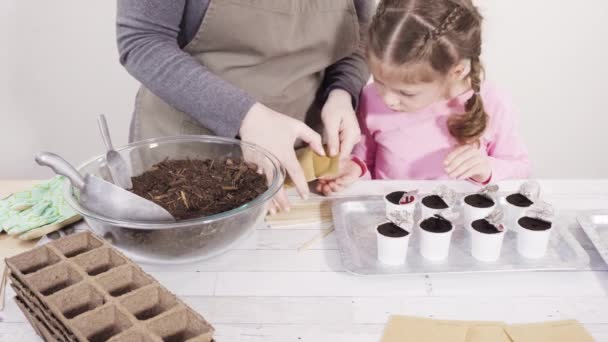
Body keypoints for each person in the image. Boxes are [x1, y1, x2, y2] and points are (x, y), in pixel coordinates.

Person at [116, 0, 372, 213]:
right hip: (189, 159)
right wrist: (247, 116)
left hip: (299, 164)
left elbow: (360, 34)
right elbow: (142, 42)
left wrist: (342, 91)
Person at [317, 0, 532, 196]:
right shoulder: (371, 98)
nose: (388, 99)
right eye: (379, 81)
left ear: (456, 72)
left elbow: (520, 168)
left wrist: (487, 169)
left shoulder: (493, 103)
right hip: (391, 224)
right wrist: (355, 170)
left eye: (406, 92)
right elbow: (365, 161)